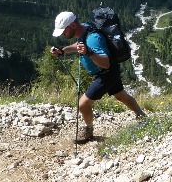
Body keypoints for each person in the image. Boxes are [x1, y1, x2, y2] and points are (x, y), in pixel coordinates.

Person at [50, 11, 145, 143]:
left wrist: (89, 52)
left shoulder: (93, 38)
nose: (63, 34)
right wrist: (62, 51)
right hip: (110, 72)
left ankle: (88, 131)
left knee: (82, 104)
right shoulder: (83, 30)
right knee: (121, 95)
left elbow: (105, 63)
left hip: (105, 74)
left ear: (72, 25)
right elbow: (77, 47)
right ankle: (142, 116)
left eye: (63, 31)